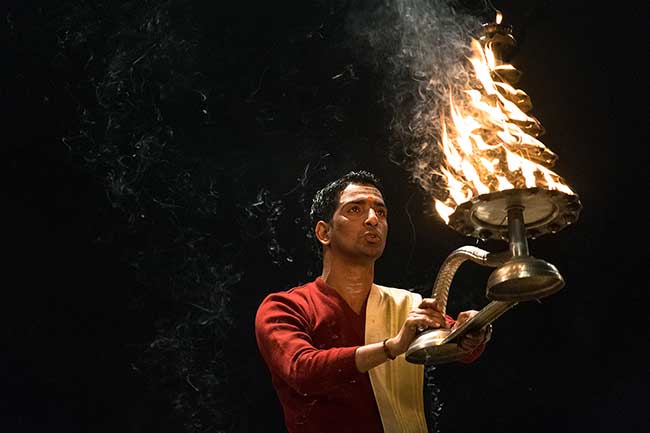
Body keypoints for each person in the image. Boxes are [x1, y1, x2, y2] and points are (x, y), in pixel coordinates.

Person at [255, 170, 492, 433]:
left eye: (381, 212)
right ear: (324, 232)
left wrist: (471, 333)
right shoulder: (284, 307)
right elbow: (302, 371)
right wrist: (392, 346)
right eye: (355, 209)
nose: (372, 220)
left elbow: (457, 344)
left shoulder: (406, 305)